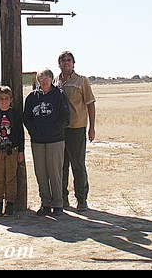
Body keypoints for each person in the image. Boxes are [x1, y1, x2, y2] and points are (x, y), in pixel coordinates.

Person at [23, 68, 70, 216]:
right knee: (41, 173)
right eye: (41, 79)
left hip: (55, 140)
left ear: (51, 80)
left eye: (47, 78)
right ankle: (45, 203)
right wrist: (33, 131)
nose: (44, 81)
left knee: (55, 172)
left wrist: (54, 131)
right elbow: (26, 118)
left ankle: (58, 203)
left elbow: (65, 117)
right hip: (37, 141)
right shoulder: (32, 97)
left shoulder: (59, 95)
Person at [55, 50, 96, 211]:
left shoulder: (81, 81)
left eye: (69, 60)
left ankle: (82, 199)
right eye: (63, 60)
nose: (66, 62)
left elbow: (90, 104)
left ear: (73, 63)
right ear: (59, 63)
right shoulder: (55, 81)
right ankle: (62, 198)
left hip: (77, 128)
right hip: (59, 130)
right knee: (61, 166)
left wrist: (91, 128)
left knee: (78, 165)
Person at [0, 86, 25, 217]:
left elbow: (20, 134)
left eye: (6, 98)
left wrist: (21, 151)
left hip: (12, 150)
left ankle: (10, 204)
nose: (4, 101)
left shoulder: (15, 115)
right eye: (1, 98)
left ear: (11, 100)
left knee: (11, 178)